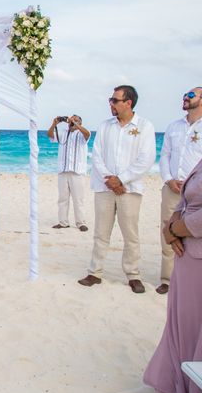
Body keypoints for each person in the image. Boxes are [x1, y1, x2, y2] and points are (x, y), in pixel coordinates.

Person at [78, 85, 156, 293]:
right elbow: (97, 154)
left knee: (130, 233)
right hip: (104, 188)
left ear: (128, 103)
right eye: (110, 100)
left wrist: (121, 180)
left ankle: (133, 275)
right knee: (101, 232)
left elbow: (146, 159)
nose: (110, 103)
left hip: (129, 189)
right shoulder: (105, 126)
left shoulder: (145, 126)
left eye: (114, 100)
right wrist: (110, 180)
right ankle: (95, 272)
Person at [143, 157, 202, 393]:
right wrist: (169, 228)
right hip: (186, 254)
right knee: (181, 321)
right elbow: (185, 200)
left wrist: (176, 229)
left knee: (194, 324)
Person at [155, 87, 202, 294]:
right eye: (185, 94)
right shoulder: (174, 126)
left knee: (191, 234)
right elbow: (164, 155)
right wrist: (168, 179)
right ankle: (167, 278)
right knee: (168, 230)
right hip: (172, 188)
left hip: (197, 194)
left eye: (191, 95)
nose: (185, 97)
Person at [47, 114, 90, 231]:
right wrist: (54, 124)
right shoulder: (63, 132)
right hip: (63, 170)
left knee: (78, 199)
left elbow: (88, 134)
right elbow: (50, 135)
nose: (72, 121)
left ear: (80, 123)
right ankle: (63, 222)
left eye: (76, 120)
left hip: (77, 172)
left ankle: (81, 223)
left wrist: (75, 124)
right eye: (72, 119)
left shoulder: (81, 134)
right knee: (62, 199)